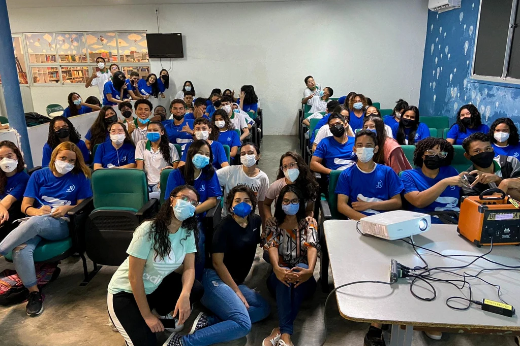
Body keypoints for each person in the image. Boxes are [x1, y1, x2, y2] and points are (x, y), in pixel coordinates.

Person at [165, 185, 270, 346]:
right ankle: (183, 343)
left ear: (253, 204)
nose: (242, 204)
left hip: (235, 281)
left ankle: (208, 321)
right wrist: (236, 291)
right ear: (231, 205)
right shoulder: (224, 227)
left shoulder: (255, 221)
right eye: (238, 200)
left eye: (247, 200)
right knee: (243, 324)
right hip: (214, 279)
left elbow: (253, 240)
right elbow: (217, 263)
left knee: (263, 308)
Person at [0, 141, 92, 316]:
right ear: (54, 157)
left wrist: (67, 208)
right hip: (35, 220)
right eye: (63, 158)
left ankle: (2, 248)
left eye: (71, 160)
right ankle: (34, 293)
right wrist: (37, 210)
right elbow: (25, 207)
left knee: (34, 223)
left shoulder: (80, 176)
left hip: (61, 224)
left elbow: (83, 206)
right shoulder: (39, 176)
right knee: (21, 249)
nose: (67, 163)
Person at [107, 185, 204, 346]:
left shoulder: (188, 232)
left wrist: (185, 295)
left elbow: (189, 268)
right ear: (172, 200)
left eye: (193, 202)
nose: (188, 203)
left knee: (195, 289)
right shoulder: (148, 229)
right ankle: (125, 318)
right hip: (125, 292)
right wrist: (146, 316)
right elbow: (134, 276)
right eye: (184, 198)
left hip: (152, 288)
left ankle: (155, 316)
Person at [263, 185, 318, 346]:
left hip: (304, 278)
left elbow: (312, 247)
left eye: (294, 201)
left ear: (300, 203)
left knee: (299, 268)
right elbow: (272, 246)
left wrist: (309, 270)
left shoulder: (308, 223)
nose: (290, 204)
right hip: (278, 278)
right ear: (280, 203)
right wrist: (276, 268)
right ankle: (286, 335)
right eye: (286, 201)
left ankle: (280, 330)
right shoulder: (273, 223)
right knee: (285, 272)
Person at [163, 140, 222, 279]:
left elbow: (213, 200)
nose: (204, 156)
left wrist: (191, 211)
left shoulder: (209, 174)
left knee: (198, 241)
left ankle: (197, 279)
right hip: (175, 219)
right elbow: (169, 200)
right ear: (191, 154)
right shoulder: (176, 174)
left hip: (196, 221)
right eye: (200, 153)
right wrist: (180, 214)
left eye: (207, 154)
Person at [336, 129, 403, 220]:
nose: (364, 149)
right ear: (354, 149)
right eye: (360, 145)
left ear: (375, 149)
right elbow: (341, 206)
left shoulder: (388, 172)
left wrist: (369, 205)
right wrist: (367, 220)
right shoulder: (346, 175)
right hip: (358, 221)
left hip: (385, 221)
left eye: (368, 146)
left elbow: (397, 202)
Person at [401, 138, 464, 223]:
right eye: (431, 152)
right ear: (422, 154)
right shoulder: (408, 175)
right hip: (426, 222)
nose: (436, 156)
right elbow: (418, 202)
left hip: (455, 220)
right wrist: (444, 182)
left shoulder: (451, 171)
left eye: (441, 154)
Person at [216, 143, 269, 221]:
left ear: (258, 156)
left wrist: (264, 228)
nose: (246, 156)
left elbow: (261, 204)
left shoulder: (262, 178)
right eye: (243, 154)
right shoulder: (229, 171)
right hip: (229, 218)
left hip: (248, 219)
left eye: (250, 153)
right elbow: (211, 179)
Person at [264, 151, 319, 224]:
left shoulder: (309, 186)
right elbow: (266, 204)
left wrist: (309, 217)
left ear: (299, 165)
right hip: (281, 222)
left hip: (300, 222)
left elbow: (309, 210)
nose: (289, 169)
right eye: (285, 166)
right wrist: (269, 217)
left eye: (292, 165)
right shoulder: (276, 186)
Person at [461, 132, 520, 200]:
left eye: (487, 149)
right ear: (467, 156)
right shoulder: (467, 180)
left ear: (492, 149)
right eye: (477, 151)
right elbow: (482, 207)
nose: (484, 153)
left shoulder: (510, 162)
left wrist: (499, 180)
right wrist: (504, 184)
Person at [136, 121, 180, 199]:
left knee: (155, 198)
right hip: (146, 183)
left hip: (161, 183)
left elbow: (176, 167)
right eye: (149, 130)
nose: (152, 132)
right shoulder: (141, 144)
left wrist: (163, 181)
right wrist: (141, 184)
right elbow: (139, 168)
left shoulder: (170, 147)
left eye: (155, 130)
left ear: (162, 132)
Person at [0, 141, 30, 242]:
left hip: (12, 216)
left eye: (9, 156)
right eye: (1, 158)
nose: (5, 161)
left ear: (17, 156)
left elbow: (7, 202)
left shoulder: (23, 178)